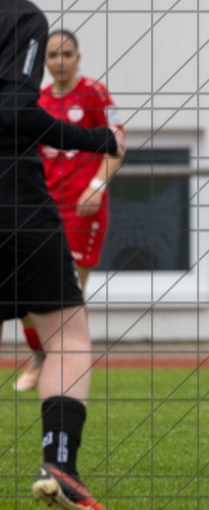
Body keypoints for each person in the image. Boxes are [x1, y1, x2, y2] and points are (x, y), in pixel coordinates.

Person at [0, 0, 123, 509]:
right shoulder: (23, 17)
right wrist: (96, 141)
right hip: (14, 198)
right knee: (69, 334)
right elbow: (16, 112)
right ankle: (59, 465)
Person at [14, 29, 123, 392]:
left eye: (66, 54)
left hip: (82, 208)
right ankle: (41, 356)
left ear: (78, 57)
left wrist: (97, 187)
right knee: (26, 297)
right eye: (52, 56)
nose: (59, 62)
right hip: (43, 208)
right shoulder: (38, 100)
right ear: (43, 62)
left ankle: (70, 367)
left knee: (68, 294)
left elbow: (117, 144)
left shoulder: (94, 93)